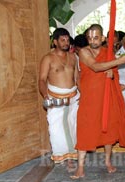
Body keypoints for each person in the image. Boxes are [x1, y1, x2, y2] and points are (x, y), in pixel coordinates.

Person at [71, 24, 125, 179]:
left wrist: (112, 74)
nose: (92, 40)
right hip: (90, 98)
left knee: (108, 129)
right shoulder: (84, 52)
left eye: (96, 37)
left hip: (105, 97)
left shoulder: (107, 52)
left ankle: (107, 162)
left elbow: (112, 74)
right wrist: (119, 61)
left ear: (103, 38)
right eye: (90, 37)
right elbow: (95, 67)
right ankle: (80, 167)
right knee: (85, 130)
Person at [39, 28, 80, 165]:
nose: (66, 42)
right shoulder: (48, 58)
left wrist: (84, 93)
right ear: (55, 41)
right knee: (57, 130)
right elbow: (42, 80)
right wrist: (45, 95)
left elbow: (77, 78)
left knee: (73, 126)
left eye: (67, 40)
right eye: (62, 40)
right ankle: (62, 155)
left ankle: (72, 155)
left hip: (73, 97)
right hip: (56, 99)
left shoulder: (74, 57)